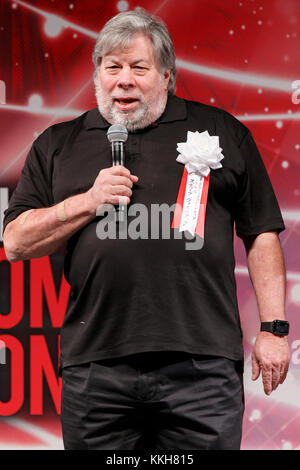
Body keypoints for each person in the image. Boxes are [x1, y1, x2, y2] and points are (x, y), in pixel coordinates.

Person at [3, 9, 290, 450]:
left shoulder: (220, 132)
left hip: (202, 369)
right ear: (97, 75)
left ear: (167, 77)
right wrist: (88, 200)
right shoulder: (58, 144)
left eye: (139, 67)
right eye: (112, 67)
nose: (124, 79)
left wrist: (273, 328)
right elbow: (17, 241)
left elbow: (262, 233)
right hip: (97, 369)